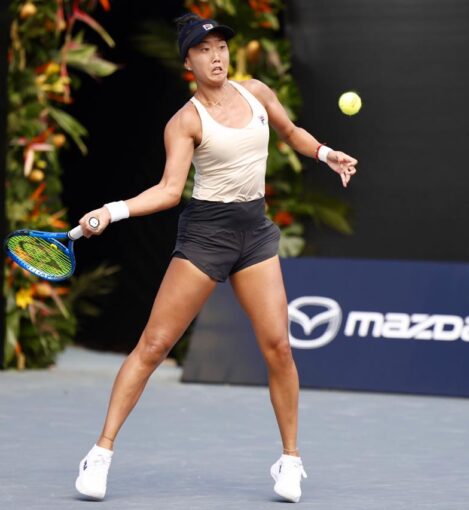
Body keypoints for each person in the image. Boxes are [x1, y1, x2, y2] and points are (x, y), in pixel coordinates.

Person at [73, 13, 358, 504]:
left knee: (279, 347)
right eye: (204, 50)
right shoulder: (184, 122)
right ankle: (100, 453)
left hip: (254, 233)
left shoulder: (257, 92)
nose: (217, 56)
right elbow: (169, 190)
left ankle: (290, 460)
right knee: (154, 345)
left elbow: (291, 132)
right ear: (189, 62)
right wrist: (112, 211)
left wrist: (325, 153)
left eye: (221, 46)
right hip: (206, 235)